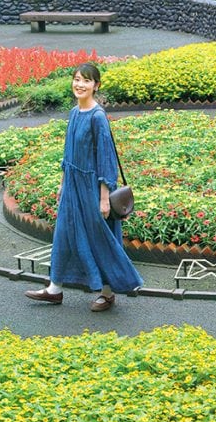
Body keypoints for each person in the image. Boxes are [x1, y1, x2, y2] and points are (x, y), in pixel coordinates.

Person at [25, 62, 143, 311]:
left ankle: (108, 292)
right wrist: (63, 183)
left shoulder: (98, 117)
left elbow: (106, 158)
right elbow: (69, 152)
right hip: (72, 186)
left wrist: (103, 197)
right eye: (77, 79)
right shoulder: (73, 113)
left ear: (96, 86)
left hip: (92, 188)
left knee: (98, 238)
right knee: (64, 234)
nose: (80, 84)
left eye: (86, 81)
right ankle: (55, 289)